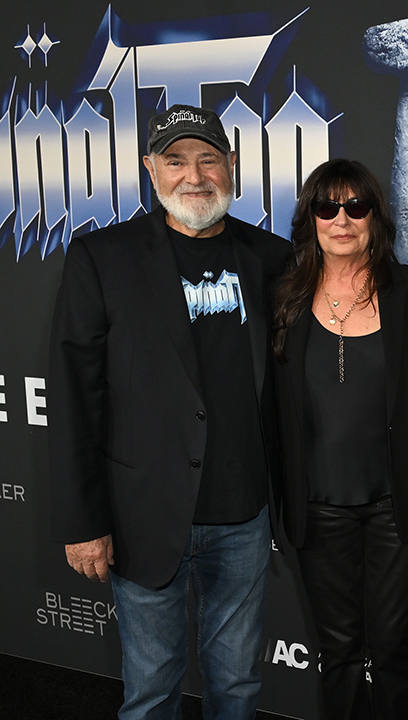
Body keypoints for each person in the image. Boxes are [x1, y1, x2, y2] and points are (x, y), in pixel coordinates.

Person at [48, 104, 291, 719]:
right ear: (150, 169)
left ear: (232, 167)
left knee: (237, 688)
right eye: (176, 160)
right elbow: (75, 396)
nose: (194, 175)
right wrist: (83, 521)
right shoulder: (102, 257)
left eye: (209, 158)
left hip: (244, 514)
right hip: (144, 516)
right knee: (151, 689)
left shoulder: (274, 258)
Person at [272, 159, 408, 719]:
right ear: (311, 217)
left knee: (390, 652)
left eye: (355, 206)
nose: (341, 219)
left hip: (394, 506)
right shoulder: (282, 297)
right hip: (318, 510)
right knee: (337, 654)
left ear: (375, 217)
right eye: (326, 206)